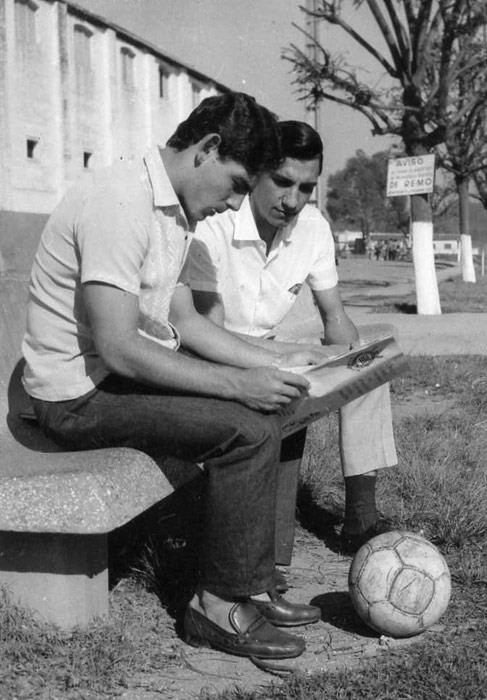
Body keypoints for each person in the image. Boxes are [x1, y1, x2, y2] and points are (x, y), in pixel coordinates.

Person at [22, 95, 335, 662]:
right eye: (238, 185)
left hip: (111, 380)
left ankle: (252, 582)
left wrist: (275, 364)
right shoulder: (121, 199)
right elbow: (118, 348)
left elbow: (184, 322)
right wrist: (237, 385)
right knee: (246, 428)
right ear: (207, 149)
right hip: (76, 397)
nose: (237, 202)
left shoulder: (171, 207)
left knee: (264, 410)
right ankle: (215, 606)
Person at [184, 120, 398, 586]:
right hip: (218, 360)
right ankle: (262, 552)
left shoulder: (313, 227)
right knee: (286, 386)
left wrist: (350, 365)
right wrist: (291, 357)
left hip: (274, 348)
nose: (294, 200)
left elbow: (334, 315)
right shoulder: (215, 223)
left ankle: (361, 515)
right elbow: (208, 335)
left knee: (367, 357)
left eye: (306, 187)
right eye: (282, 183)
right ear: (257, 173)